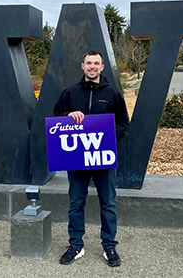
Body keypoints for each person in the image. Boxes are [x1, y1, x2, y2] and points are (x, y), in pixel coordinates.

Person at [53, 50, 129, 267]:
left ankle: (109, 246)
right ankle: (76, 245)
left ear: (102, 67)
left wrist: (107, 139)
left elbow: (123, 124)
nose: (92, 66)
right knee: (76, 202)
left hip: (103, 158)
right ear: (82, 66)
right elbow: (56, 116)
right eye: (89, 63)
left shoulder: (112, 94)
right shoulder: (69, 92)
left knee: (108, 203)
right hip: (77, 159)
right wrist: (67, 116)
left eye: (96, 63)